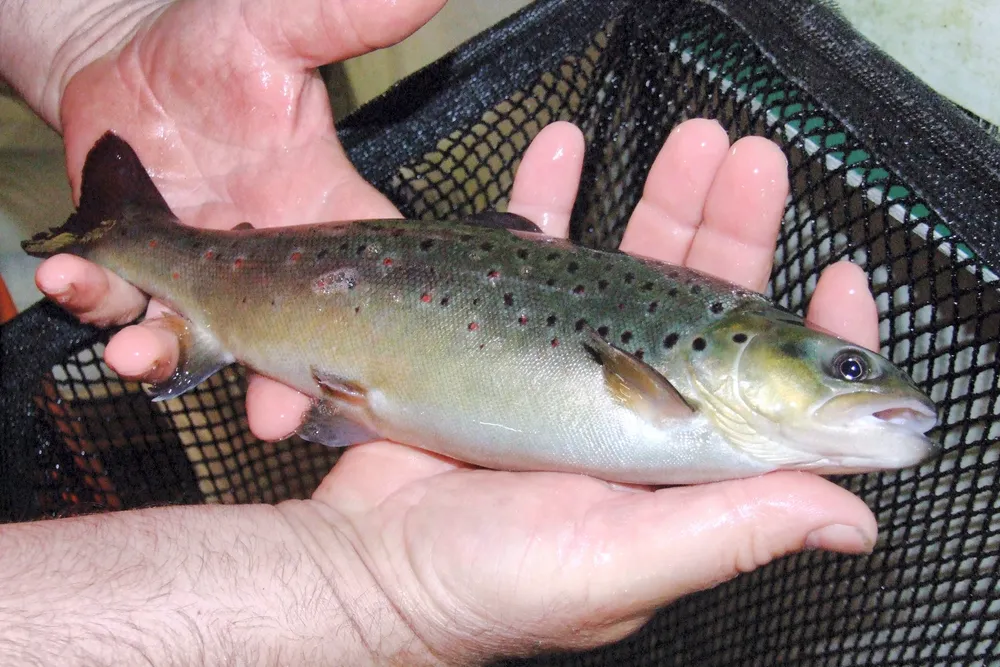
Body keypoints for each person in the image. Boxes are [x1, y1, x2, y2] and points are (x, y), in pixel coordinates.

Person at [0, 0, 882, 664]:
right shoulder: (691, 399)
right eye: (846, 367)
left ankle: (131, 237)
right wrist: (372, 600)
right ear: (739, 343)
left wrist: (87, 31)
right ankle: (131, 237)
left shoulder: (714, 408)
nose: (870, 388)